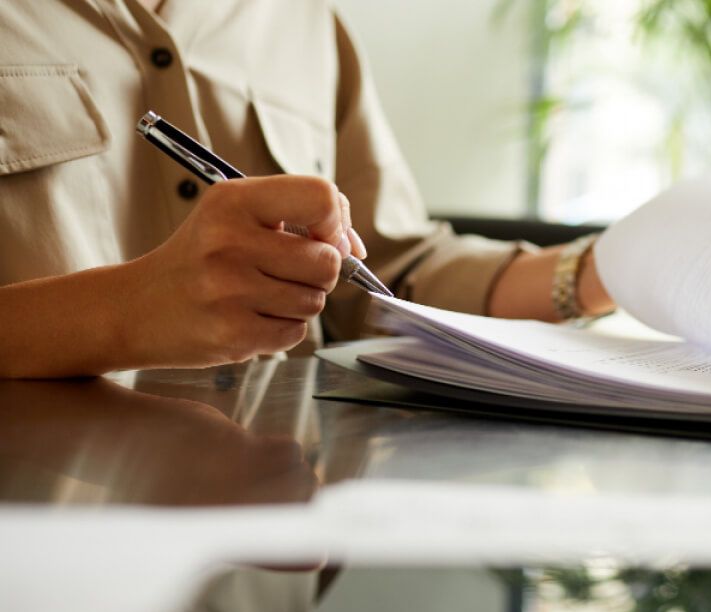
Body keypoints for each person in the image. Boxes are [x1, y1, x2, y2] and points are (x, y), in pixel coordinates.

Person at [0, 0, 614, 378]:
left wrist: (606, 271)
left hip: (272, 547)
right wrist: (125, 312)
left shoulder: (304, 18)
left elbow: (386, 271)